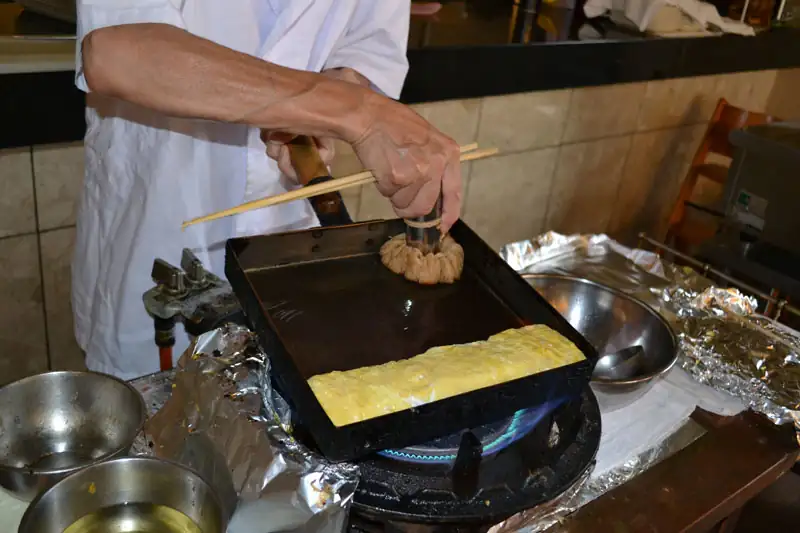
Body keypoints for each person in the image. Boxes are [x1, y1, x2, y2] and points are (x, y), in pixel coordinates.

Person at [73, 0, 462, 379]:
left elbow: (366, 44)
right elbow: (117, 52)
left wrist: (320, 110)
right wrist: (353, 111)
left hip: (288, 246)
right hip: (160, 217)